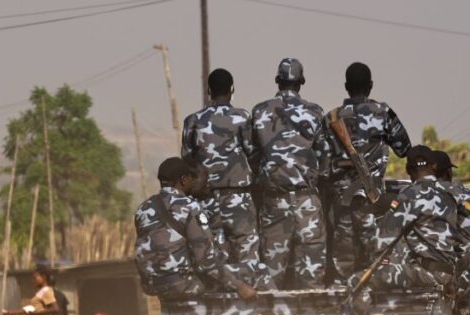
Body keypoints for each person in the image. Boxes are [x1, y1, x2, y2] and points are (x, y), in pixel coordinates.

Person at [330, 146, 460, 315]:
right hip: (445, 274)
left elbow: (381, 241)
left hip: (423, 273)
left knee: (357, 284)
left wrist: (366, 220)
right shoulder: (449, 196)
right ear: (434, 167)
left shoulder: (411, 195)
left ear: (409, 170)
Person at [321, 62, 412, 285]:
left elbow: (322, 162)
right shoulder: (382, 112)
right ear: (370, 86)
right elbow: (404, 149)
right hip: (373, 202)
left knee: (343, 264)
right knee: (377, 259)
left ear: (346, 86)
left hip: (341, 203)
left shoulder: (331, 117)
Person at [181, 68, 265, 287]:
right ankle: (249, 299)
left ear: (208, 90)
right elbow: (253, 154)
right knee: (247, 254)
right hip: (238, 198)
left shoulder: (193, 121)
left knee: (212, 257)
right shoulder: (242, 117)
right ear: (232, 90)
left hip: (205, 200)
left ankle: (216, 303)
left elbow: (187, 160)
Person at [250, 58, 330, 289]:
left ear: (278, 80)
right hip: (307, 200)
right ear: (301, 82)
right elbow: (324, 156)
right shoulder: (315, 112)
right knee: (312, 276)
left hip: (275, 201)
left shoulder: (259, 111)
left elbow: (252, 156)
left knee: (271, 276)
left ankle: (271, 313)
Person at [134, 157, 257, 301]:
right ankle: (270, 313)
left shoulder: (143, 209)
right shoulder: (189, 207)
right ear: (184, 180)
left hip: (152, 285)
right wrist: (239, 286)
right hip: (182, 285)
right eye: (191, 178)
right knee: (255, 272)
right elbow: (206, 262)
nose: (193, 182)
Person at [433, 150, 470, 313]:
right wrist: (462, 293)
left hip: (425, 293)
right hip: (460, 297)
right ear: (449, 172)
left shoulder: (414, 198)